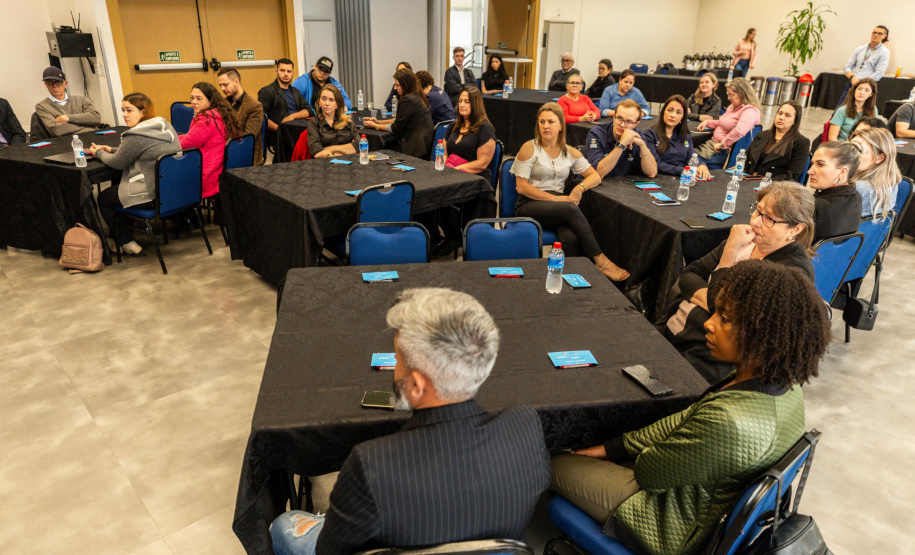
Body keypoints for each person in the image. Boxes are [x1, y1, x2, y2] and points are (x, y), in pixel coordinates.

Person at [553, 258, 829, 555]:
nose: (708, 323)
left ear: (764, 334)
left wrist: (637, 453)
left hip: (661, 523)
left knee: (546, 457)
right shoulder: (780, 386)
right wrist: (616, 447)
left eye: (725, 319)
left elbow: (648, 473)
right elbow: (685, 419)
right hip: (689, 496)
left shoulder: (731, 421)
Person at [269, 287, 550, 555]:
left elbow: (331, 551)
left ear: (416, 385)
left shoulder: (369, 465)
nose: (393, 367)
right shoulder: (525, 425)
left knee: (284, 525)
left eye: (397, 360)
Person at [660, 182, 816, 383]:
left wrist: (729, 253)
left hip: (711, 356)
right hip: (677, 327)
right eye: (758, 211)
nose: (756, 222)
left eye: (769, 218)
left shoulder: (788, 271)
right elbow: (690, 274)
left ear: (796, 229)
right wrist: (712, 303)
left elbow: (721, 305)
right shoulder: (749, 241)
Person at [512, 103, 630, 281]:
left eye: (550, 121)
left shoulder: (569, 152)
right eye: (541, 121)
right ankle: (600, 260)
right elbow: (522, 187)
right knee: (570, 207)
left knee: (571, 238)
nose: (545, 126)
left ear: (561, 125)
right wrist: (556, 200)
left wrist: (579, 187)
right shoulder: (529, 148)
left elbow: (595, 176)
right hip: (528, 204)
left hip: (558, 208)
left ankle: (571, 279)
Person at [90, 93, 181, 255]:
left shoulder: (135, 135)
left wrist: (98, 153)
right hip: (174, 191)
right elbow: (142, 151)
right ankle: (126, 232)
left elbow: (118, 163)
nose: (124, 115)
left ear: (143, 112)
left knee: (104, 198)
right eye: (122, 110)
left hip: (153, 196)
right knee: (117, 189)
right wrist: (111, 150)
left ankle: (126, 242)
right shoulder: (164, 126)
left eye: (129, 110)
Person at [180, 82, 242, 199]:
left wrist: (169, 140)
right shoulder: (221, 113)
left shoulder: (206, 120)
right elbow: (191, 138)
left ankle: (182, 211)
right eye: (192, 98)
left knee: (164, 173)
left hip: (206, 176)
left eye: (199, 99)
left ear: (210, 100)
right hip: (219, 170)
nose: (194, 102)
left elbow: (185, 144)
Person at [363, 69, 434, 159]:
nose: (395, 88)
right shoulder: (417, 96)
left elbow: (396, 128)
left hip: (414, 147)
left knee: (382, 147)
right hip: (424, 144)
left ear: (406, 85)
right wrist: (379, 122)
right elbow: (401, 119)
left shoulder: (408, 100)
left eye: (397, 85)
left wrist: (375, 126)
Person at [584, 99, 658, 180]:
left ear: (636, 124)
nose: (622, 125)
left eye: (629, 121)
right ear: (613, 117)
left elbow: (652, 173)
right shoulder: (596, 134)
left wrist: (642, 145)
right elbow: (598, 174)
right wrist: (622, 144)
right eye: (619, 118)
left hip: (622, 187)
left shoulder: (638, 135)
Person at [695, 77, 761, 166]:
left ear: (742, 94)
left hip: (724, 150)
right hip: (713, 144)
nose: (728, 98)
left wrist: (722, 144)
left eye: (731, 95)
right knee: (686, 151)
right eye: (728, 94)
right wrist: (708, 122)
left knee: (690, 158)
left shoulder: (750, 111)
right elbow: (724, 123)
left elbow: (739, 131)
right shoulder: (733, 106)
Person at [642, 95, 710, 179]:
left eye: (678, 112)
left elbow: (692, 157)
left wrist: (701, 165)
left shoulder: (685, 136)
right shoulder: (649, 135)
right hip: (659, 178)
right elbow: (656, 164)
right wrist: (682, 170)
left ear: (683, 117)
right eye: (670, 110)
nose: (673, 115)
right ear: (663, 112)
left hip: (683, 179)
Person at [807, 141, 864, 241]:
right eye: (812, 164)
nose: (810, 171)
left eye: (820, 164)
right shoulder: (856, 197)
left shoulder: (817, 206)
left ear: (842, 172)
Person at [743, 100, 810, 182]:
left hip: (775, 188)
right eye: (780, 113)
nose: (781, 117)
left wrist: (762, 181)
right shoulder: (761, 135)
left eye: (787, 115)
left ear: (794, 121)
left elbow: (791, 176)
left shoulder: (801, 143)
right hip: (748, 182)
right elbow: (745, 161)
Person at [258, 58, 312, 152]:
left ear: (292, 73)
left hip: (298, 131)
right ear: (276, 71)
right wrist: (281, 130)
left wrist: (293, 116)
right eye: (282, 70)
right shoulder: (267, 91)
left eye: (289, 71)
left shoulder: (295, 91)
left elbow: (309, 110)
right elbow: (261, 118)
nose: (286, 74)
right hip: (279, 134)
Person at [444, 86, 496, 182]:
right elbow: (444, 154)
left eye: (466, 102)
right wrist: (443, 169)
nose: (462, 105)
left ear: (475, 104)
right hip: (451, 173)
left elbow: (482, 163)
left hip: (475, 179)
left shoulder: (485, 128)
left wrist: (455, 170)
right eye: (460, 101)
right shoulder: (453, 125)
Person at [849, 127, 901, 220]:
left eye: (858, 150)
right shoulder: (890, 180)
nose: (848, 154)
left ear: (879, 158)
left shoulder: (855, 189)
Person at [35, 66, 101, 137]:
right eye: (50, 82)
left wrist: (67, 118)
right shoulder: (42, 106)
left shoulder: (81, 99)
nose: (55, 86)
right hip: (68, 142)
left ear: (65, 84)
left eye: (58, 82)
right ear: (45, 84)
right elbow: (56, 130)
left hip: (94, 137)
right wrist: (87, 124)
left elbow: (96, 118)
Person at [217, 68, 265, 165]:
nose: (222, 89)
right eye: (220, 85)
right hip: (224, 149)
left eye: (225, 85)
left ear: (236, 82)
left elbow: (248, 137)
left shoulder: (254, 106)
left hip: (245, 154)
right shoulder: (222, 103)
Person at [837, 25, 890, 107]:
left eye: (879, 33)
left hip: (866, 88)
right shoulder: (860, 49)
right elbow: (847, 67)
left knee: (859, 112)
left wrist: (864, 83)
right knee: (840, 108)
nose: (876, 35)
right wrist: (852, 77)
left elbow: (879, 73)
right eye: (874, 32)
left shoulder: (884, 52)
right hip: (852, 84)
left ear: (884, 36)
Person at [306, 84, 357, 159]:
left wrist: (329, 149)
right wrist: (347, 150)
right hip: (325, 165)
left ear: (337, 104)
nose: (327, 103)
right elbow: (317, 152)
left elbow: (359, 145)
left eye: (331, 100)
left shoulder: (348, 122)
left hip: (350, 163)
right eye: (323, 99)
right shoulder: (313, 124)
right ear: (319, 102)